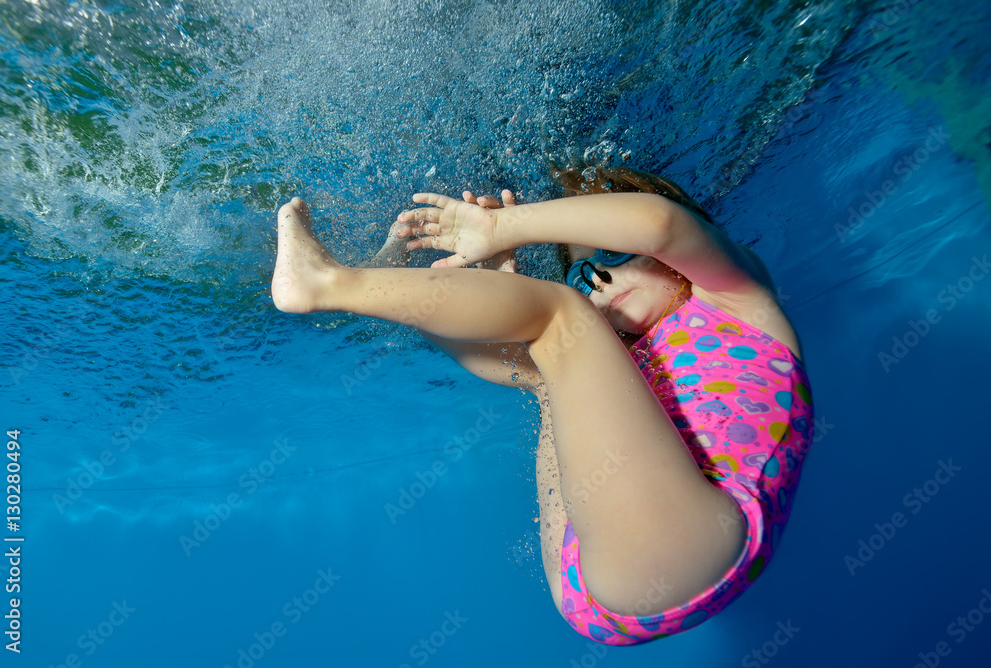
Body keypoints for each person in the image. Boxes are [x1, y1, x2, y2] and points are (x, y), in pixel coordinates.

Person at [270, 164, 814, 645]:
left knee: (559, 322)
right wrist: (485, 295)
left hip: (651, 563)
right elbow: (500, 361)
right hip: (626, 568)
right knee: (550, 363)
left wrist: (504, 226)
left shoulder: (736, 294)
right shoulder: (626, 373)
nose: (599, 277)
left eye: (616, 254)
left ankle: (330, 283)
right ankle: (345, 285)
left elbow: (664, 224)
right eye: (583, 274)